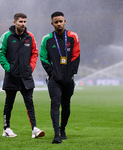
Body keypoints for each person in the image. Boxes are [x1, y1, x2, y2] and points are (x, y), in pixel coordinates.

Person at [0, 13, 45, 138]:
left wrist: (31, 67)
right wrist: (9, 68)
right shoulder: (6, 36)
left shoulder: (30, 36)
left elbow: (35, 53)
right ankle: (6, 129)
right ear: (14, 22)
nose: (23, 24)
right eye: (20, 22)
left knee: (29, 102)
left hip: (26, 76)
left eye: (24, 21)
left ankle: (34, 128)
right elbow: (0, 53)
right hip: (11, 76)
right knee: (9, 103)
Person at [40, 11, 80, 144]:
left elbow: (76, 56)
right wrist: (52, 73)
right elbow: (43, 58)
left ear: (65, 22)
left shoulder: (73, 37)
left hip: (68, 79)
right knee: (55, 104)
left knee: (66, 106)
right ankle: (56, 134)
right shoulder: (47, 39)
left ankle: (63, 129)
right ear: (52, 23)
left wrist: (71, 73)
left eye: (61, 21)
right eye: (56, 22)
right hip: (54, 80)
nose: (59, 24)